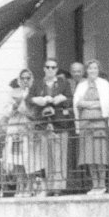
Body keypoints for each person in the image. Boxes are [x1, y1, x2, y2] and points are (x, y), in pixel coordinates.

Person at [29, 58, 73, 195]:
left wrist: (61, 99)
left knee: (60, 157)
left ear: (57, 69)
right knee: (46, 158)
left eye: (53, 67)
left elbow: (71, 99)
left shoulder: (64, 83)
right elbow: (29, 100)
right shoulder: (37, 84)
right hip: (44, 124)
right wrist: (39, 100)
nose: (50, 70)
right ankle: (48, 187)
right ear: (44, 69)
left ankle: (58, 188)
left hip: (59, 124)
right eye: (47, 67)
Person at [73, 58, 109, 194]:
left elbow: (107, 104)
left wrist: (88, 104)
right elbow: (77, 103)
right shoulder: (82, 85)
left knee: (100, 155)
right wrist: (94, 104)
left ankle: (102, 185)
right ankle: (95, 185)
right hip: (85, 123)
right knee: (89, 156)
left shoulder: (104, 84)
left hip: (99, 123)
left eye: (95, 68)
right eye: (90, 68)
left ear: (99, 70)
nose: (92, 71)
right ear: (87, 70)